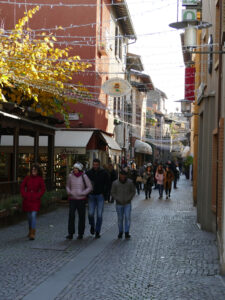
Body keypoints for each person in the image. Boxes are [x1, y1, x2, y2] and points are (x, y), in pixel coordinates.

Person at [66, 162, 92, 240]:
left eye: (76, 169)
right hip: (72, 199)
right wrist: (69, 192)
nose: (75, 170)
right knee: (71, 216)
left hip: (81, 200)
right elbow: (67, 186)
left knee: (81, 217)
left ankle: (80, 233)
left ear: (79, 169)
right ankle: (70, 233)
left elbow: (89, 187)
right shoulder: (70, 176)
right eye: (74, 168)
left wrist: (82, 193)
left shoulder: (84, 176)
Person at [20, 163, 45, 240]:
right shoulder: (27, 178)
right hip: (27, 200)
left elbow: (43, 189)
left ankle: (32, 233)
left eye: (35, 170)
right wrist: (24, 194)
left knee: (33, 215)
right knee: (29, 217)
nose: (33, 171)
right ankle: (30, 230)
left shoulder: (40, 179)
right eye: (32, 169)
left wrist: (38, 195)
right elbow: (22, 186)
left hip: (35, 200)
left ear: (38, 171)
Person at [86, 158, 110, 238]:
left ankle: (97, 231)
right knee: (90, 214)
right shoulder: (88, 173)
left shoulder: (104, 173)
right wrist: (87, 194)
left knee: (99, 215)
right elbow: (85, 183)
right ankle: (92, 225)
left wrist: (105, 195)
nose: (95, 166)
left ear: (99, 165)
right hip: (91, 195)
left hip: (100, 195)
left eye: (96, 165)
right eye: (94, 165)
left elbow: (107, 184)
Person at [111, 170, 136, 239]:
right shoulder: (115, 183)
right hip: (119, 203)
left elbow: (133, 191)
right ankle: (120, 231)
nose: (122, 178)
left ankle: (127, 232)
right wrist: (117, 198)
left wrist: (129, 198)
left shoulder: (130, 182)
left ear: (126, 176)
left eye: (123, 176)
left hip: (127, 203)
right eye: (121, 176)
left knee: (127, 217)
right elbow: (113, 192)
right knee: (120, 218)